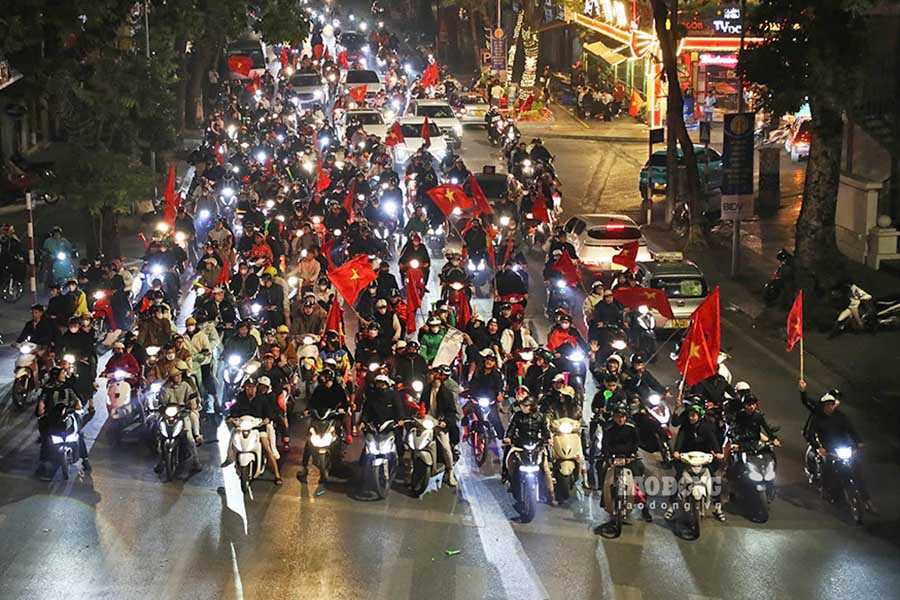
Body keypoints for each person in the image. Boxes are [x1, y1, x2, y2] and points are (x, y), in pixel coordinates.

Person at [798, 380, 871, 509]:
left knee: (857, 469)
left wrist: (859, 442)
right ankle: (826, 490)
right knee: (827, 467)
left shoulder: (841, 416)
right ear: (823, 405)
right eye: (829, 404)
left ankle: (866, 499)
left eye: (834, 403)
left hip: (843, 448)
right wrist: (819, 448)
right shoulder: (817, 417)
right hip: (828, 449)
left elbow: (851, 429)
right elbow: (811, 434)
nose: (832, 406)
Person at [595, 403, 653, 527]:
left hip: (628, 458)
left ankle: (645, 508)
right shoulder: (609, 428)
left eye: (622, 416)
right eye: (617, 416)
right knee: (602, 471)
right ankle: (604, 499)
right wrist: (608, 457)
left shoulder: (631, 427)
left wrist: (631, 455)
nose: (620, 419)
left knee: (639, 476)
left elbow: (636, 442)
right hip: (613, 458)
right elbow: (605, 444)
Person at [666, 404, 725, 521]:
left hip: (704, 458)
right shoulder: (685, 427)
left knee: (714, 480)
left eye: (694, 415)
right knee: (678, 478)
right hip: (687, 457)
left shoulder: (707, 427)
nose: (691, 418)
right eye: (690, 415)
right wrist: (677, 451)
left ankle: (718, 508)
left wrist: (718, 452)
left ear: (699, 416)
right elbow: (680, 440)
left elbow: (714, 441)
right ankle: (671, 506)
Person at [223, 378, 283, 484]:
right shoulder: (240, 398)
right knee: (233, 437)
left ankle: (277, 474)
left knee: (266, 447)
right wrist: (231, 418)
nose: (251, 389)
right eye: (248, 387)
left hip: (258, 427)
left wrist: (267, 419)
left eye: (253, 387)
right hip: (243, 426)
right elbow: (234, 411)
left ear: (256, 388)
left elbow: (269, 413)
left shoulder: (262, 399)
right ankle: (230, 457)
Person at [297, 369, 351, 481]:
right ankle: (304, 467)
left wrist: (342, 409)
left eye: (323, 376)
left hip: (332, 418)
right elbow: (311, 402)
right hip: (318, 418)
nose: (321, 377)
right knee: (309, 442)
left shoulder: (338, 389)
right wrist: (307, 410)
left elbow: (344, 403)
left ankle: (337, 462)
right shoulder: (319, 389)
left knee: (338, 438)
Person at [502, 396, 555, 504]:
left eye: (526, 406)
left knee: (546, 469)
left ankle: (551, 494)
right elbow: (511, 428)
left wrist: (548, 439)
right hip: (520, 445)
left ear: (532, 407)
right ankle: (511, 481)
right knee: (510, 462)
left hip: (537, 446)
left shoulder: (541, 417)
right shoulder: (517, 416)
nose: (523, 407)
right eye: (522, 405)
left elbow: (545, 430)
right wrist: (508, 437)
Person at [155, 367, 203, 474]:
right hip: (168, 415)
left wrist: (191, 404)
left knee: (189, 437)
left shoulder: (186, 386)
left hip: (182, 414)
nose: (179, 377)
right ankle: (160, 462)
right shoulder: (165, 388)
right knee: (160, 437)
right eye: (176, 376)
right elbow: (161, 402)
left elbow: (192, 400)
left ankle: (196, 461)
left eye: (180, 375)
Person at [423, 367, 459, 486]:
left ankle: (450, 471)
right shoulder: (427, 389)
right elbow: (421, 404)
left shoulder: (446, 393)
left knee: (445, 447)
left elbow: (451, 412)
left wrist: (445, 422)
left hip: (439, 422)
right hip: (427, 420)